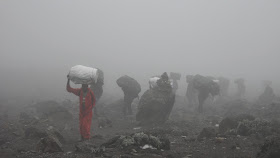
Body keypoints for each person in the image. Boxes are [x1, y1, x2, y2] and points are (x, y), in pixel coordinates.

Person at [66, 76, 96, 141]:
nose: (84, 87)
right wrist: (68, 80)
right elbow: (69, 89)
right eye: (83, 86)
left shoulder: (90, 92)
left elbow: (94, 100)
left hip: (88, 112)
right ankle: (82, 137)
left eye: (85, 86)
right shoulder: (80, 91)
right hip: (82, 112)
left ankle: (87, 138)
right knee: (81, 125)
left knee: (86, 125)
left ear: (87, 86)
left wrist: (91, 107)